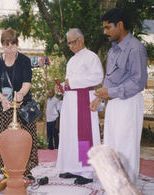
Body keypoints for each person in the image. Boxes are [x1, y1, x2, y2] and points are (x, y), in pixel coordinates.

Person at [90, 8, 148, 184]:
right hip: (113, 104)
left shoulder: (135, 48)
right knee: (112, 144)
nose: (105, 32)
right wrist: (100, 97)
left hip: (129, 102)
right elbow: (109, 79)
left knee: (126, 146)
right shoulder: (113, 50)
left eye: (108, 27)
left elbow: (138, 82)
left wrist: (110, 93)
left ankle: (127, 186)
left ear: (120, 25)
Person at [0, 27, 38, 180]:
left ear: (17, 44)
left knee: (25, 138)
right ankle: (5, 169)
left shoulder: (24, 60)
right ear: (2, 45)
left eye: (12, 44)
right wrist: (2, 99)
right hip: (2, 108)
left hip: (22, 107)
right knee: (3, 138)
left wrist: (21, 94)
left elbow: (26, 83)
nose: (9, 47)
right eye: (6, 44)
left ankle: (26, 170)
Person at [56, 28, 104, 185]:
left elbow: (97, 77)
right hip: (70, 102)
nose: (71, 46)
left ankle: (86, 170)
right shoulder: (72, 60)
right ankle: (73, 167)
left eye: (73, 42)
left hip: (84, 101)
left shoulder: (91, 57)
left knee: (84, 135)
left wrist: (73, 83)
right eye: (68, 43)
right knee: (70, 135)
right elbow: (70, 81)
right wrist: (62, 86)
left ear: (81, 39)